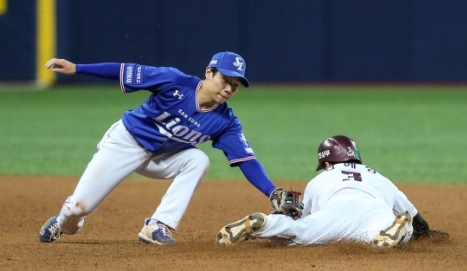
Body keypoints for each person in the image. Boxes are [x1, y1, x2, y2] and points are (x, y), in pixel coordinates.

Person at [38, 51, 300, 246]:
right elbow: (124, 70)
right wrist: (77, 68)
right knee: (78, 209)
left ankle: (158, 225)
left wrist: (272, 190)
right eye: (225, 79)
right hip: (125, 143)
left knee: (198, 160)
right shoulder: (174, 81)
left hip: (162, 158)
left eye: (235, 84)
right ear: (209, 72)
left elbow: (246, 159)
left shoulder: (226, 122)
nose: (229, 88)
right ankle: (64, 222)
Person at [215, 135, 449, 248]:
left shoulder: (320, 179)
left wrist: (276, 216)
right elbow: (417, 218)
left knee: (298, 232)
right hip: (375, 208)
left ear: (327, 164)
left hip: (336, 209)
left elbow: (298, 216)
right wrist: (424, 233)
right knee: (380, 234)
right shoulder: (380, 177)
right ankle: (397, 229)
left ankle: (263, 223)